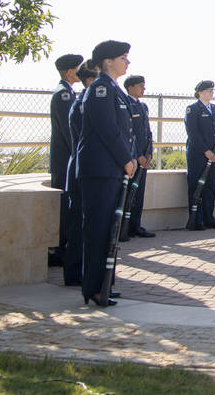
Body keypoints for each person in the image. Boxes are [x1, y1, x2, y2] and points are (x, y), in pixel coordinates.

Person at [77, 41, 138, 307]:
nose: (127, 62)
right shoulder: (101, 89)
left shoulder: (115, 91)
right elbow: (107, 129)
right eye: (123, 58)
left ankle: (105, 284)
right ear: (108, 61)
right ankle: (93, 287)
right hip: (100, 171)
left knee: (109, 232)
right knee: (99, 230)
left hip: (110, 170)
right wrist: (126, 159)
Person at [63, 61, 97, 287]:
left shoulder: (86, 101)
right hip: (82, 171)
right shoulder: (82, 103)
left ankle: (80, 273)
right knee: (78, 227)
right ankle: (75, 273)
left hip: (84, 169)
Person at [49, 53, 83, 267]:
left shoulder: (68, 92)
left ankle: (64, 246)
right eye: (78, 68)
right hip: (65, 160)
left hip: (67, 158)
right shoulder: (63, 94)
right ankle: (60, 249)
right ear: (70, 71)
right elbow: (67, 130)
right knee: (64, 206)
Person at [185, 80, 215, 229]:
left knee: (210, 186)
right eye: (208, 90)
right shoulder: (193, 109)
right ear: (199, 92)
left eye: (212, 90)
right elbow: (193, 133)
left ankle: (209, 217)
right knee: (197, 186)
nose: (211, 93)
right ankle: (196, 219)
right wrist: (206, 151)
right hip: (198, 154)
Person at [121, 75, 156, 240]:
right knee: (127, 194)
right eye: (140, 86)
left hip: (143, 157)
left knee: (139, 194)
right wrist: (137, 156)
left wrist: (149, 153)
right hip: (131, 158)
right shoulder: (124, 104)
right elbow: (129, 133)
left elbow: (147, 132)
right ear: (130, 87)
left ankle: (136, 225)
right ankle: (123, 227)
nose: (144, 89)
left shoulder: (142, 107)